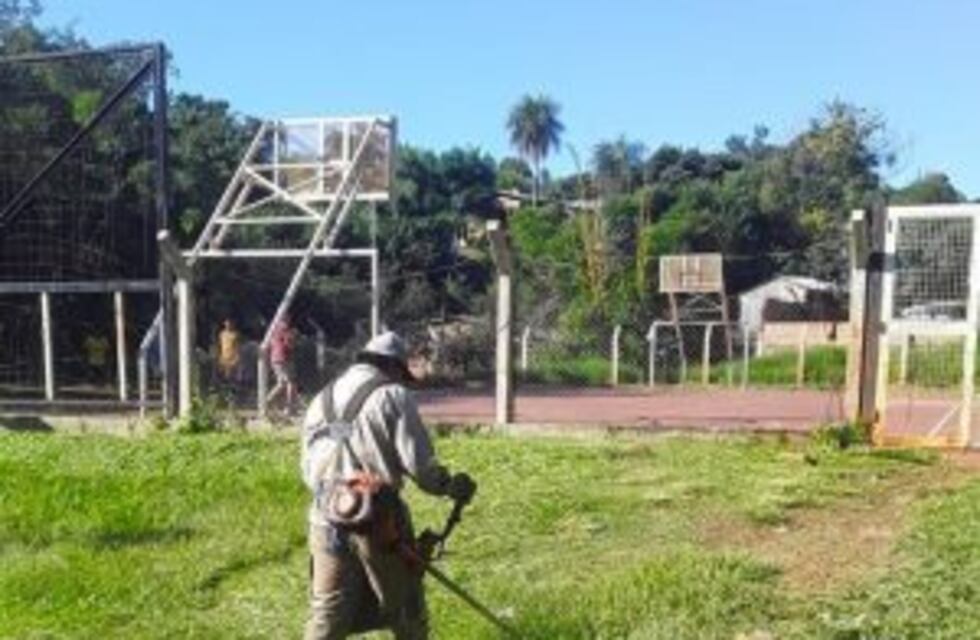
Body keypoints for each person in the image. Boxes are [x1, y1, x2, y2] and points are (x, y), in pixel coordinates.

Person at [300, 331, 476, 640]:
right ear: (394, 367)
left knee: (327, 615)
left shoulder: (322, 398)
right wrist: (449, 486)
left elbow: (307, 468)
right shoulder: (393, 395)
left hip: (326, 516)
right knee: (405, 609)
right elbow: (421, 467)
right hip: (380, 523)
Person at [267, 314, 298, 414]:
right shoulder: (285, 331)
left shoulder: (273, 331)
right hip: (283, 358)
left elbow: (272, 344)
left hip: (274, 358)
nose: (288, 322)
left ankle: (267, 400)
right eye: (287, 320)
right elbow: (289, 345)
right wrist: (293, 337)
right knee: (290, 382)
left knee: (281, 383)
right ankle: (289, 408)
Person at [216, 319, 242, 384]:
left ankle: (232, 384)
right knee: (223, 372)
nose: (228, 325)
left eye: (230, 323)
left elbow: (237, 346)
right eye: (227, 323)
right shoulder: (222, 334)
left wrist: (237, 356)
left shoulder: (235, 335)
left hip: (232, 356)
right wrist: (218, 354)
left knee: (231, 373)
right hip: (224, 355)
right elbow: (219, 345)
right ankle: (224, 384)